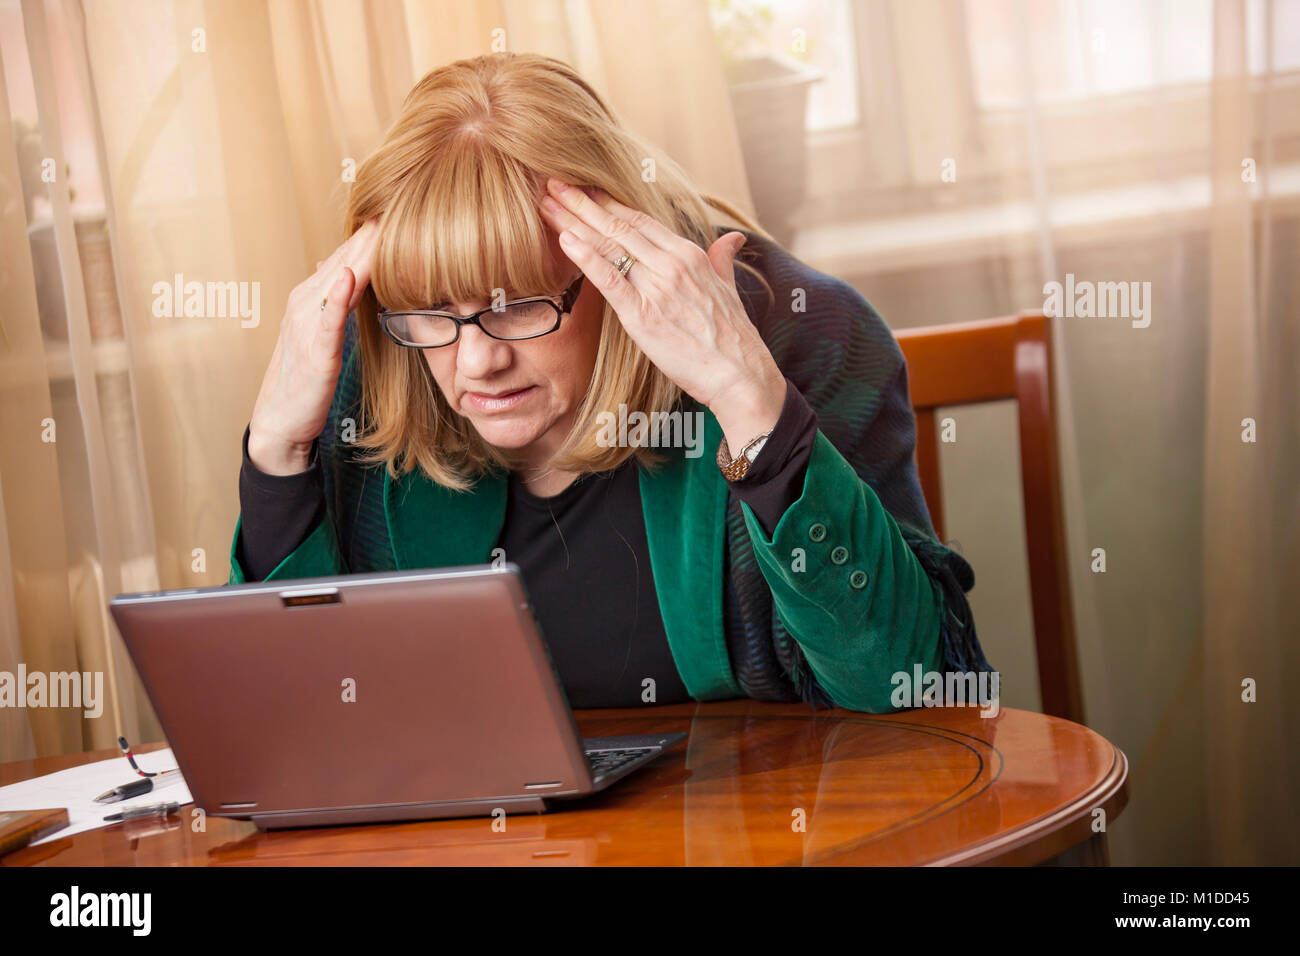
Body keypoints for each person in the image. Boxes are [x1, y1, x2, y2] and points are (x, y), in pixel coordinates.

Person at [228, 51, 991, 712]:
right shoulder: (376, 360)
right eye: (433, 312)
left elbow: (912, 688)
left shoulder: (798, 332)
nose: (475, 361)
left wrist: (748, 396)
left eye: (518, 305)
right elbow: (297, 722)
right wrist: (275, 455)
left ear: (613, 264)